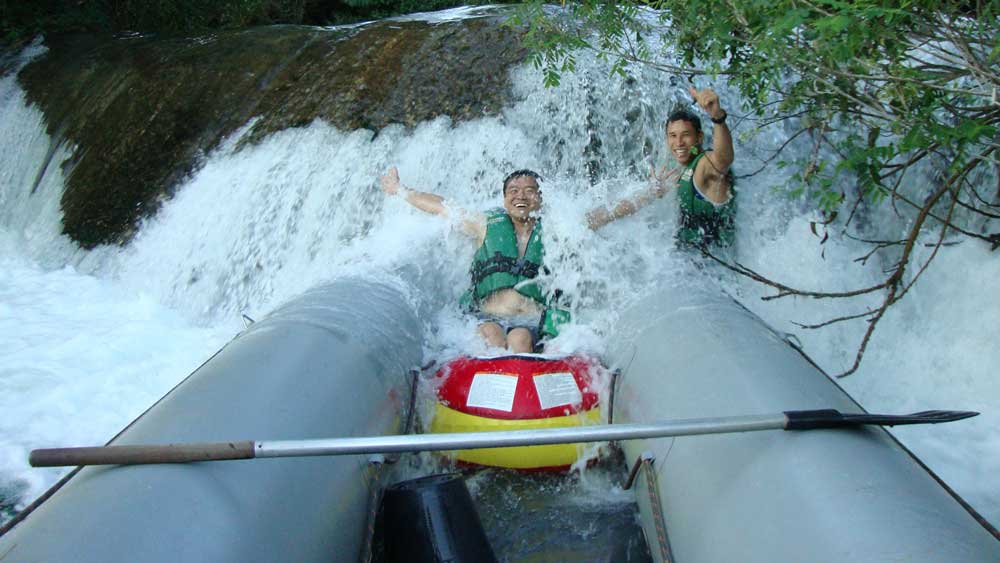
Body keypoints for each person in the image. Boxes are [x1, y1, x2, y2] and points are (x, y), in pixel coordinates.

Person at [380, 167, 570, 353]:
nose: (521, 196)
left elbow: (588, 220)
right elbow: (443, 207)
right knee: (490, 334)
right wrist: (400, 190)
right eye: (514, 191)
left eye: (529, 191)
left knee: (520, 339)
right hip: (488, 317)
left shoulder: (557, 231)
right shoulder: (484, 225)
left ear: (540, 199)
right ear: (505, 200)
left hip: (532, 321)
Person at [587, 86, 736, 247]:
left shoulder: (705, 166)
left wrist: (717, 118)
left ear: (699, 137)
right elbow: (633, 203)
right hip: (687, 263)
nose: (678, 143)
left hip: (714, 266)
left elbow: (722, 160)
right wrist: (593, 221)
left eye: (685, 135)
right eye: (672, 136)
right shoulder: (676, 171)